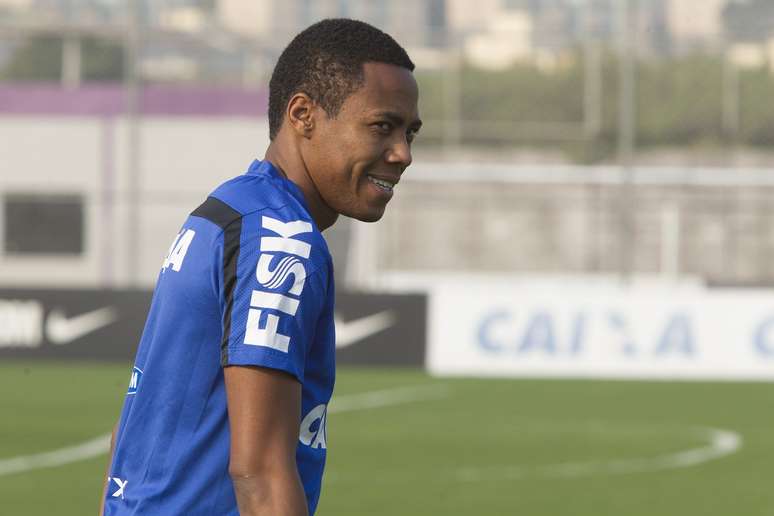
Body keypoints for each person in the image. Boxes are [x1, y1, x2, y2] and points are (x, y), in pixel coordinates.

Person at [100, 18, 421, 516]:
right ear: (303, 114)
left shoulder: (230, 208)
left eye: (409, 133)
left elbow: (134, 426)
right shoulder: (280, 240)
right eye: (382, 126)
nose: (402, 154)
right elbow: (261, 472)